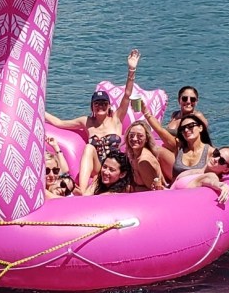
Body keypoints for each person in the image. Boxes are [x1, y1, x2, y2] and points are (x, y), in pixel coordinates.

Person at [45, 49, 140, 194]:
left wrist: (131, 69)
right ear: (92, 107)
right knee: (90, 148)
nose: (100, 106)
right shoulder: (87, 121)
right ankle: (82, 191)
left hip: (113, 165)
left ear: (109, 106)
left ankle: (88, 191)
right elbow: (59, 123)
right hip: (98, 166)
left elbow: (127, 95)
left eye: (103, 103)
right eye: (97, 103)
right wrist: (37, 108)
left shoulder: (116, 119)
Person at [123, 120, 173, 190]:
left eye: (140, 136)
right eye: (131, 135)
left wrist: (132, 189)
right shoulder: (133, 155)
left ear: (146, 139)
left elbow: (152, 190)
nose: (134, 138)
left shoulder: (143, 161)